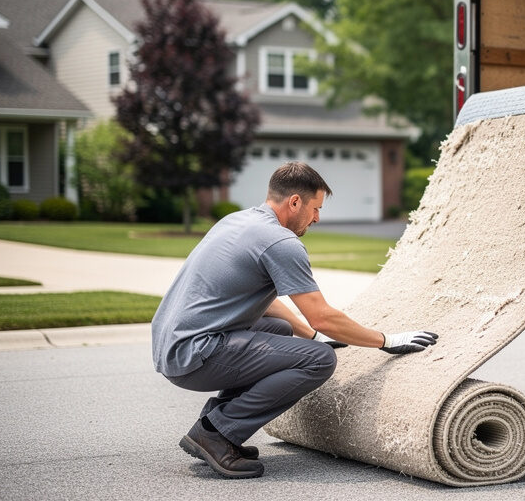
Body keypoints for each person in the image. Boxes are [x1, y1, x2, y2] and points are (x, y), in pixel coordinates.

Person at [151, 161, 438, 479]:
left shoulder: (238, 221)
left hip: (173, 344)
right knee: (318, 360)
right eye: (315, 208)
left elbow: (268, 302)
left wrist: (310, 334)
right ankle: (216, 433)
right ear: (295, 202)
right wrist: (385, 340)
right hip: (194, 355)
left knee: (282, 329)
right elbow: (322, 316)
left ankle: (215, 422)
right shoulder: (281, 243)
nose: (317, 218)